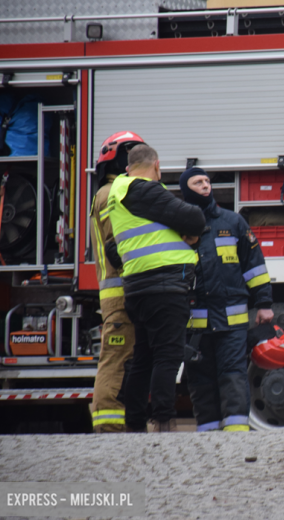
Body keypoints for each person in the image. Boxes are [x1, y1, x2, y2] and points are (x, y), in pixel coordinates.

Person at [106, 144, 205, 432]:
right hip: (163, 287)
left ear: (128, 167)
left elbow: (115, 248)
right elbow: (195, 219)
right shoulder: (143, 189)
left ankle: (135, 423)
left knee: (144, 357)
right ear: (156, 166)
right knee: (168, 355)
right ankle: (163, 421)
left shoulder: (120, 194)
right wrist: (190, 233)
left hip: (139, 287)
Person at [179, 167, 274, 432]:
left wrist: (264, 304)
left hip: (232, 324)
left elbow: (254, 266)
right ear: (187, 189)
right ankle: (209, 438)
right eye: (198, 182)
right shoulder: (178, 226)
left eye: (208, 181)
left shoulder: (232, 222)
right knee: (201, 381)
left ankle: (236, 440)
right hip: (196, 325)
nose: (205, 185)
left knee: (233, 376)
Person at [89, 130, 144, 433]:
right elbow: (117, 244)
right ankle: (108, 427)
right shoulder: (111, 193)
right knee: (117, 358)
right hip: (121, 293)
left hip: (125, 293)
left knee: (130, 360)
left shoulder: (112, 191)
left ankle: (123, 425)